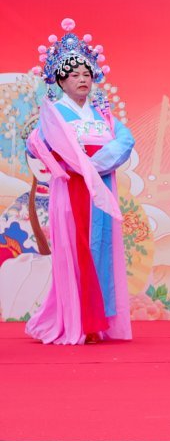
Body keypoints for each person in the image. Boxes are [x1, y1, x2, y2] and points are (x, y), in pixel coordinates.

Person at [25, 18, 134, 344]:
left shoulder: (103, 114)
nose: (83, 79)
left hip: (100, 185)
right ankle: (78, 320)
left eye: (87, 74)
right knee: (76, 249)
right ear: (61, 80)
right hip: (72, 189)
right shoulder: (54, 112)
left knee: (101, 249)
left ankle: (98, 320)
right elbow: (41, 143)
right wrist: (79, 165)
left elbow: (125, 140)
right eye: (74, 75)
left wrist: (92, 165)